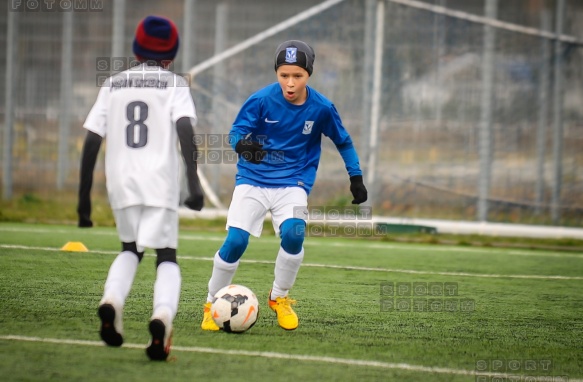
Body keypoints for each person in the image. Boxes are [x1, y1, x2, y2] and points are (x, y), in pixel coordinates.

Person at [200, 40, 368, 331]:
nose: (290, 83)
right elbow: (237, 132)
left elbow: (343, 141)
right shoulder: (261, 100)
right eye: (284, 75)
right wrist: (244, 146)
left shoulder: (322, 108)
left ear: (309, 75)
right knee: (236, 242)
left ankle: (279, 298)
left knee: (294, 234)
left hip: (293, 181)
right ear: (277, 74)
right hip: (253, 180)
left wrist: (355, 176)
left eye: (297, 76)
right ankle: (212, 303)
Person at [77, 15, 204, 361]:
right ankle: (161, 317)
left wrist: (83, 199)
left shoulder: (114, 84)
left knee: (130, 250)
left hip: (121, 183)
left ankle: (111, 302)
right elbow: (185, 132)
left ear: (135, 50)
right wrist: (193, 184)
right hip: (160, 183)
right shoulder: (174, 85)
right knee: (166, 255)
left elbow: (91, 141)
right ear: (172, 55)